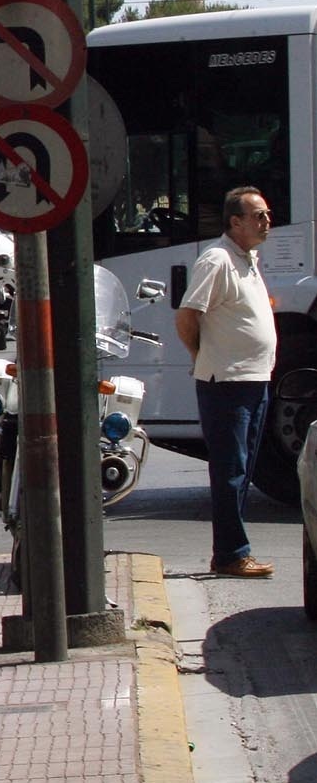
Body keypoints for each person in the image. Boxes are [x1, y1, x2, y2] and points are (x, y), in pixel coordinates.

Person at [174, 186, 277, 578]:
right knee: (230, 470)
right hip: (227, 382)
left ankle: (233, 550)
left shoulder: (248, 258)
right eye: (258, 216)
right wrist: (203, 357)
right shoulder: (217, 259)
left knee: (244, 469)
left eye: (267, 214)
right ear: (235, 222)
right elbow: (187, 316)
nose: (267, 221)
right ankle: (231, 554)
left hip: (254, 379)